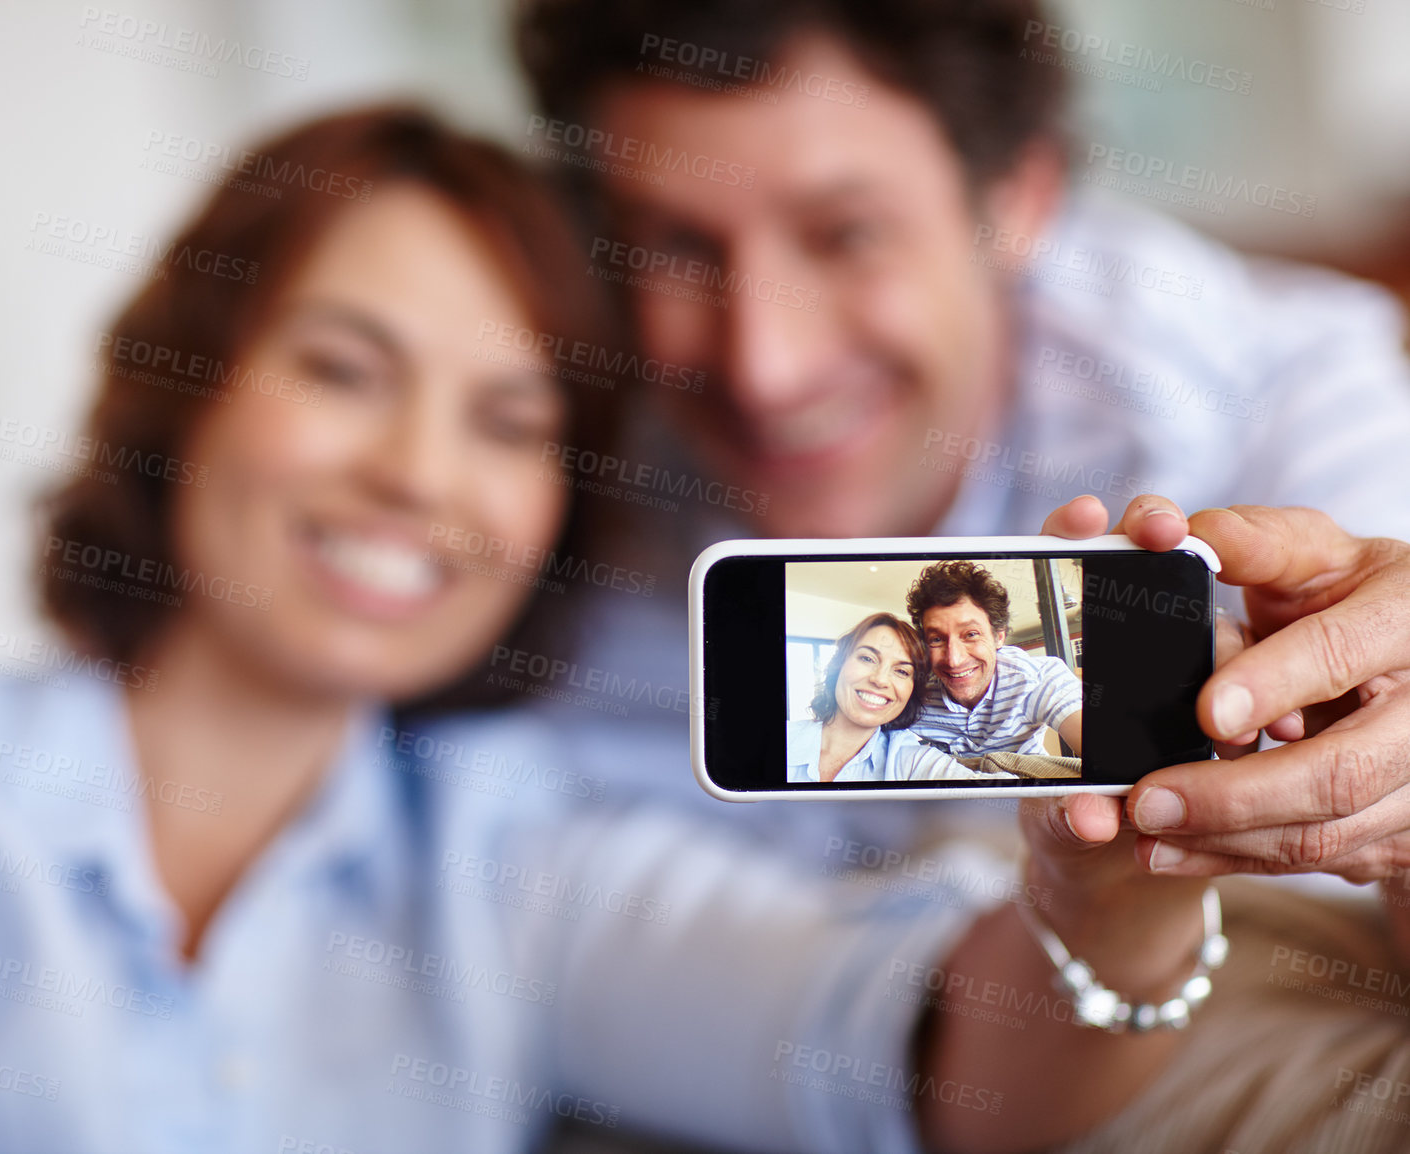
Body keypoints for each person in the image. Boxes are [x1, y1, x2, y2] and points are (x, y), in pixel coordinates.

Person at [0, 105, 1212, 1154]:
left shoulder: (517, 861)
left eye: (509, 419)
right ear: (188, 384)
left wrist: (1117, 886)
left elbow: (927, 1063)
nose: (417, 474)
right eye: (346, 369)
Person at [516, 1, 1410, 1148]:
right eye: (676, 247)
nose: (765, 363)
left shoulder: (1278, 398)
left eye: (844, 234)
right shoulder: (544, 515)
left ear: (1017, 202)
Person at [787, 612, 1003, 783]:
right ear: (839, 665)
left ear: (911, 692)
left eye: (902, 671)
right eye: (867, 658)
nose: (880, 680)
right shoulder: (786, 737)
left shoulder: (910, 759)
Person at [904, 560, 1083, 758]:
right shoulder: (911, 689)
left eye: (971, 634)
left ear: (999, 636)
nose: (954, 660)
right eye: (936, 639)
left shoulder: (1039, 678)